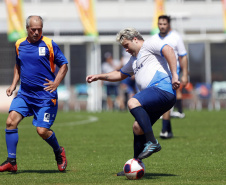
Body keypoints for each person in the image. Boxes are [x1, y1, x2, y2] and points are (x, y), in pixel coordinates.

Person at [86, 28, 180, 176]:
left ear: (135, 39)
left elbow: (168, 49)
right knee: (137, 127)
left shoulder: (149, 44)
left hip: (162, 89)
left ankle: (152, 142)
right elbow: (119, 74)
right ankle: (136, 163)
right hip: (159, 96)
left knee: (132, 102)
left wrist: (175, 74)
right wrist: (99, 76)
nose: (126, 49)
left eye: (127, 45)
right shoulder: (134, 60)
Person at [0, 15, 68, 172]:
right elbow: (18, 65)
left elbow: (64, 64)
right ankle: (11, 161)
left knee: (42, 131)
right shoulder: (19, 44)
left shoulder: (49, 44)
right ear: (27, 29)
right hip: (25, 95)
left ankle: (59, 151)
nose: (37, 32)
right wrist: (13, 84)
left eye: (39, 29)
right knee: (10, 122)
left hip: (45, 97)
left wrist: (56, 83)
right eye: (33, 29)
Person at [154, 15, 188, 139]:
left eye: (164, 24)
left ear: (169, 25)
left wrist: (184, 74)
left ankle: (164, 129)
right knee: (164, 100)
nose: (162, 26)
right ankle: (168, 130)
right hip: (157, 73)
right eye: (160, 24)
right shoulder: (154, 39)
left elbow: (183, 56)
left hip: (172, 73)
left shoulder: (176, 37)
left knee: (165, 99)